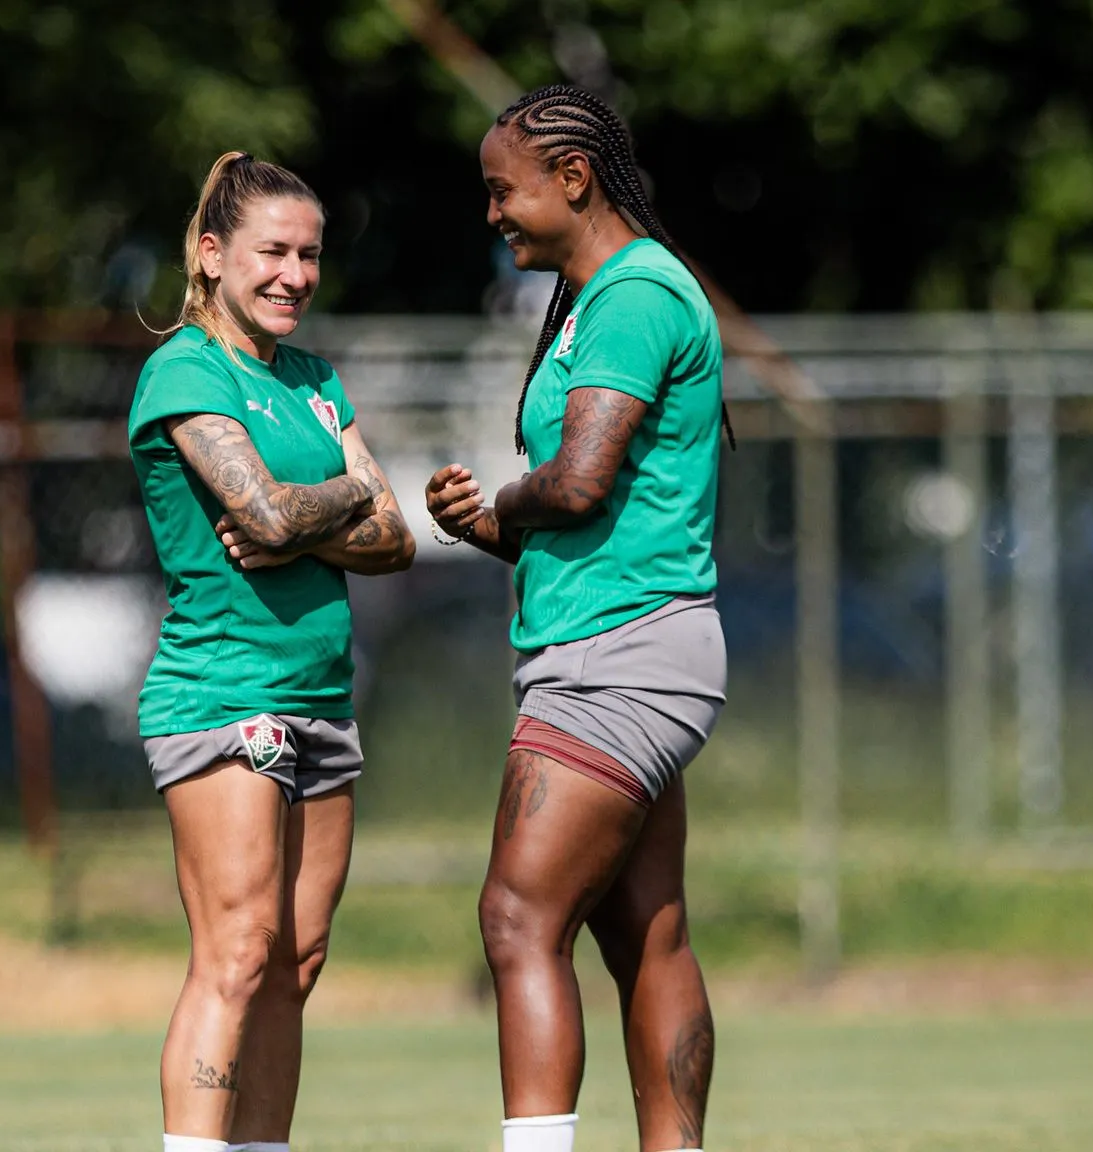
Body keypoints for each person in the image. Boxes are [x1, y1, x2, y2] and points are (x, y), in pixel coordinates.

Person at [425, 84, 728, 1152]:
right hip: (625, 637)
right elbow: (576, 509)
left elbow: (582, 480)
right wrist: (489, 523)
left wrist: (510, 498)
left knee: (515, 919)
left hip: (619, 653)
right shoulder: (595, 299)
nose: (492, 214)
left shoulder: (636, 295)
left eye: (502, 192)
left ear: (573, 177)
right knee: (643, 934)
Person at [129, 152, 416, 1152]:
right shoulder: (183, 369)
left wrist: (314, 514)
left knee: (297, 958)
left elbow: (397, 537)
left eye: (310, 255)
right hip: (222, 696)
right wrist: (338, 496)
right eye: (272, 253)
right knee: (238, 952)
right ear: (211, 257)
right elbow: (261, 507)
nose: (295, 274)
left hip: (321, 698)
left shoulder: (311, 377)